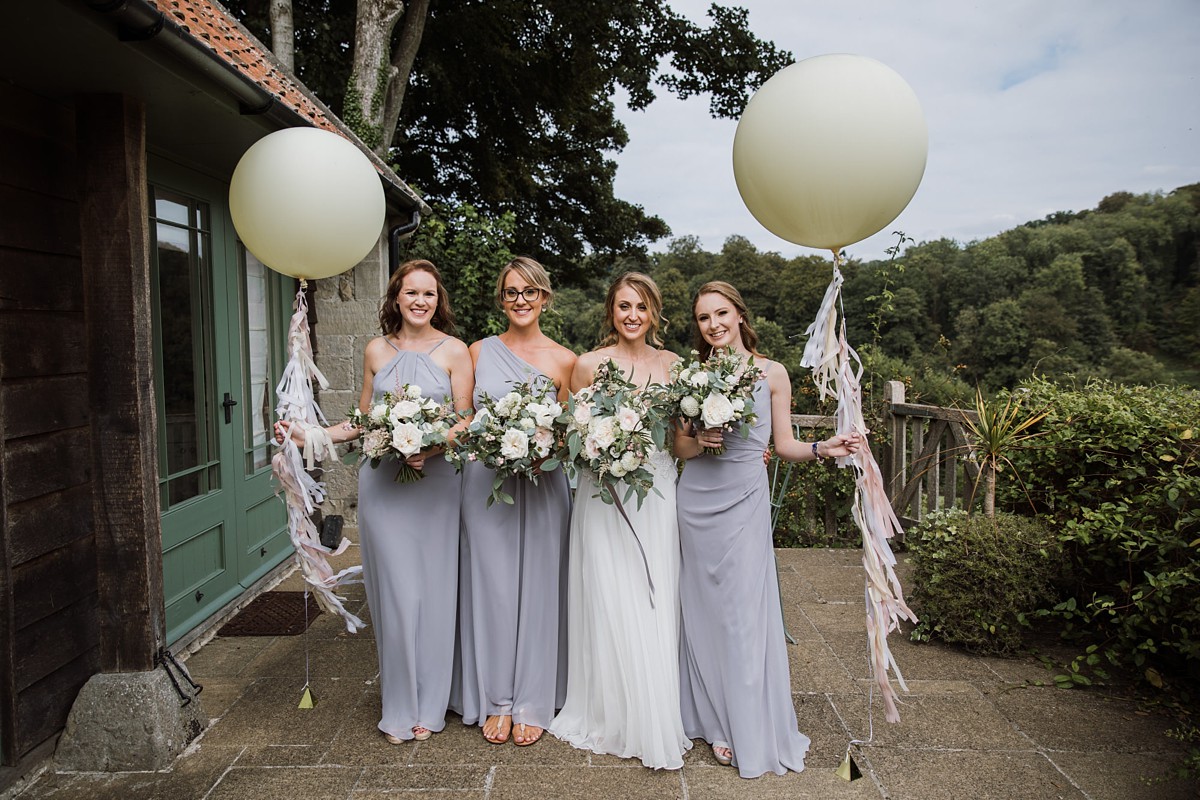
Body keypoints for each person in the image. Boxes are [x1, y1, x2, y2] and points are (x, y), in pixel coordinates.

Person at [275, 259, 473, 744]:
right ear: (396, 298)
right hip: (384, 485)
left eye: (429, 293)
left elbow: (466, 421)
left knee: (433, 592)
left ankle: (431, 703)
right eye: (411, 293)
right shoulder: (376, 350)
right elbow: (361, 421)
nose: (420, 301)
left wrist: (431, 445)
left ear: (438, 300)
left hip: (437, 485)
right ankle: (399, 702)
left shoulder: (456, 351)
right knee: (396, 595)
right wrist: (311, 435)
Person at [674, 280, 863, 778]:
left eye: (721, 314)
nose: (713, 325)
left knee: (741, 613)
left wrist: (825, 448)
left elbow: (783, 445)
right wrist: (701, 437)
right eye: (703, 318)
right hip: (695, 499)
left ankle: (746, 720)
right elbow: (680, 448)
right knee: (702, 610)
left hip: (743, 498)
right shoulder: (691, 374)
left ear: (739, 315)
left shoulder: (772, 372)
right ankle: (713, 718)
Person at [549, 272, 691, 769]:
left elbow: (680, 443)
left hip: (655, 492)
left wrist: (714, 440)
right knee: (608, 595)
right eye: (623, 306)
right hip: (603, 494)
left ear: (654, 313)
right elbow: (567, 434)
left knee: (652, 599)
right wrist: (600, 451)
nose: (632, 315)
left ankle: (652, 711)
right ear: (611, 311)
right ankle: (609, 710)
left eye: (642, 307)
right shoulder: (588, 366)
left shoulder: (674, 367)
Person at [452, 256, 576, 747]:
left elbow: (572, 437)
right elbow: (461, 420)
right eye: (511, 293)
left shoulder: (567, 360)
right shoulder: (477, 352)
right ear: (501, 300)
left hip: (544, 486)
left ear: (544, 297)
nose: (520, 301)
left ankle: (532, 699)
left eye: (529, 292)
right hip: (486, 484)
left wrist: (543, 444)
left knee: (541, 588)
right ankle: (497, 699)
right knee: (494, 587)